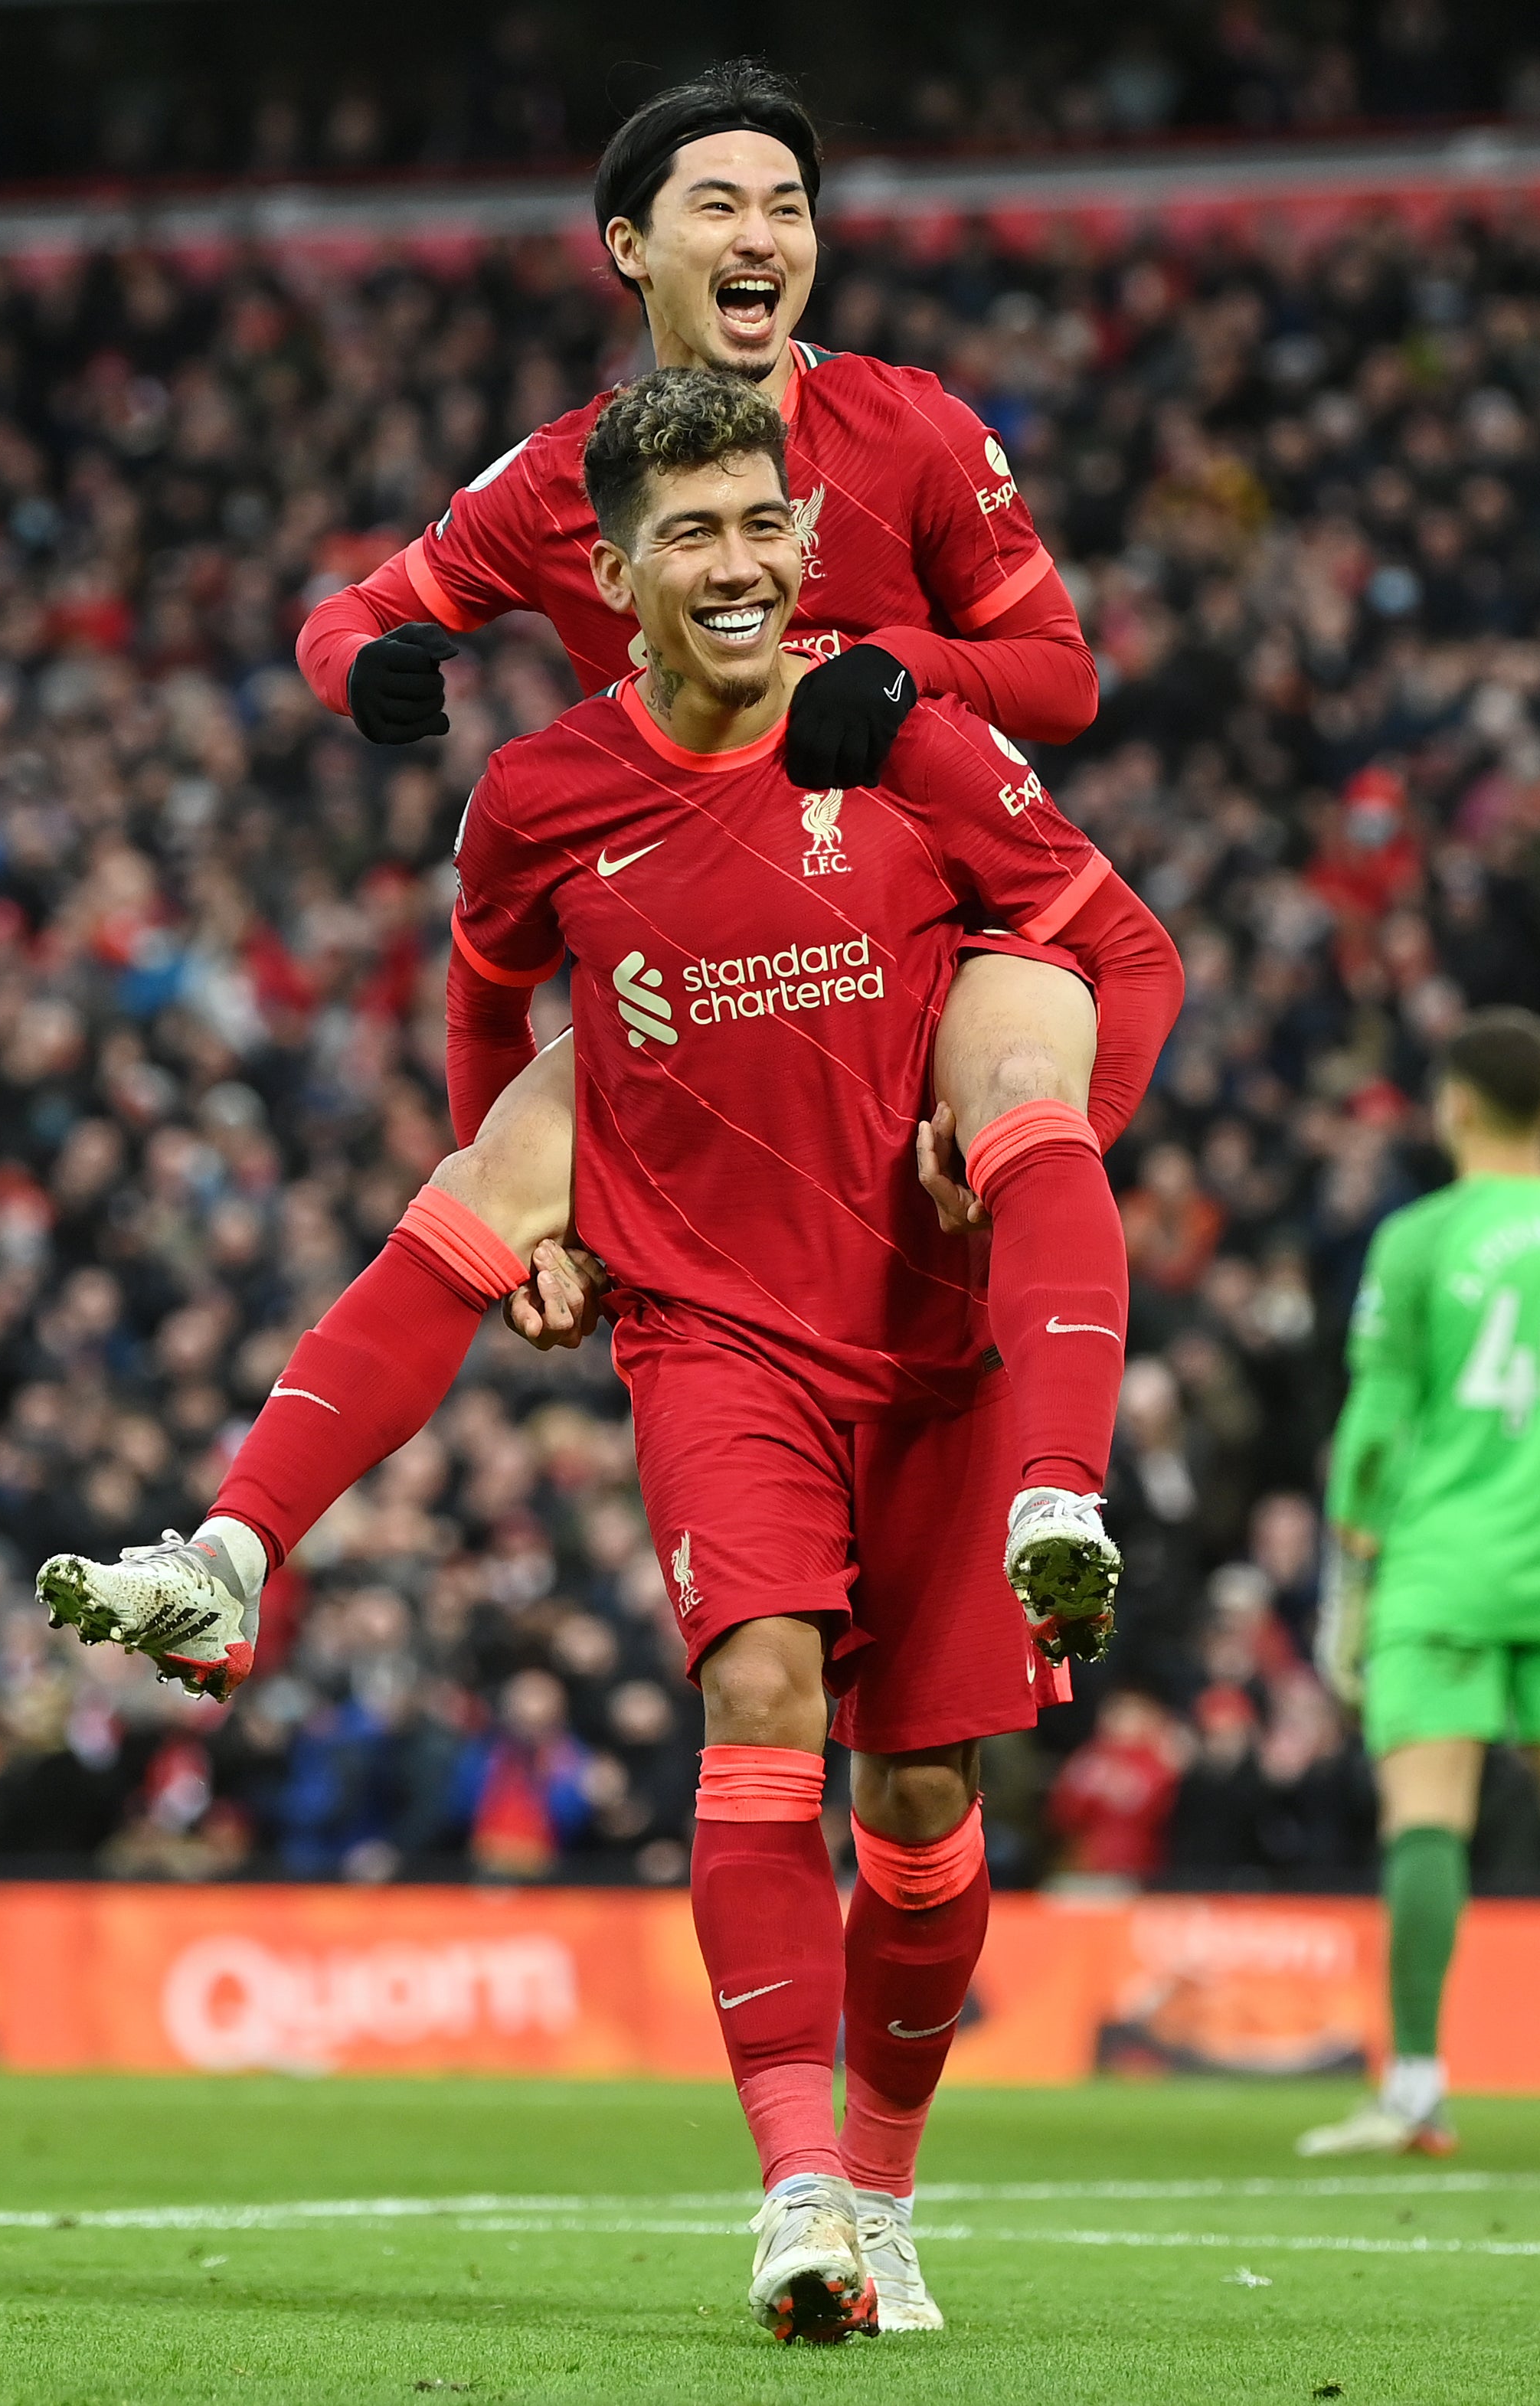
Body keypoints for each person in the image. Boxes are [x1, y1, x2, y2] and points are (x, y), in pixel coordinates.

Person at [40, 57, 1140, 1692]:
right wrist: (364, 676)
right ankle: (230, 1552)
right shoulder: (556, 479)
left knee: (922, 1789)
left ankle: (1062, 1488)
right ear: (632, 246)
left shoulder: (910, 425)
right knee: (487, 1190)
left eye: (791, 204)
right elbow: (348, 613)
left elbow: (1060, 672)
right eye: (723, 205)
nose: (766, 232)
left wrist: (905, 671)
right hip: (697, 925)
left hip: (926, 905)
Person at [381, 369, 1166, 2338]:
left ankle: (888, 2185)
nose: (729, 562)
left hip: (928, 1325)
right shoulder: (549, 784)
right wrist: (524, 1199)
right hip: (711, 1325)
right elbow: (485, 1001)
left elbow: (1118, 935)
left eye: (758, 526)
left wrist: (1042, 1129)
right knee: (755, 1688)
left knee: (915, 1803)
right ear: (616, 568)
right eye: (687, 534)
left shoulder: (898, 731)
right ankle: (794, 2188)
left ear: (806, 541)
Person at [1300, 1010, 1540, 2165]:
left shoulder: (1419, 1238)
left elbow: (1374, 1427)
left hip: (1444, 1562)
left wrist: (1349, 1576)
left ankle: (1417, 2085)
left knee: (1428, 1813)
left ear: (1455, 1104)